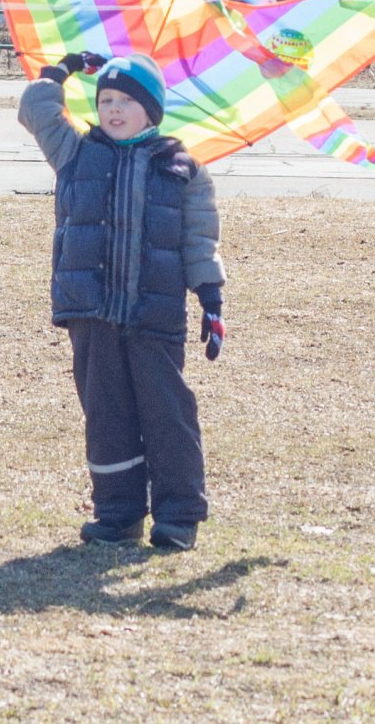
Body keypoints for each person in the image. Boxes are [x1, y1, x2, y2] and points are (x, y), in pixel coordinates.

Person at [18, 50, 227, 551]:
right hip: (90, 312)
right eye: (106, 99)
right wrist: (62, 69)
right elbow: (35, 108)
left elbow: (199, 240)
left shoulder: (182, 169)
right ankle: (117, 514)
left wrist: (211, 299)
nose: (114, 109)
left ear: (151, 111)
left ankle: (178, 516)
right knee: (107, 416)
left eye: (127, 101)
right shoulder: (76, 152)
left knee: (166, 412)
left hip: (153, 314)